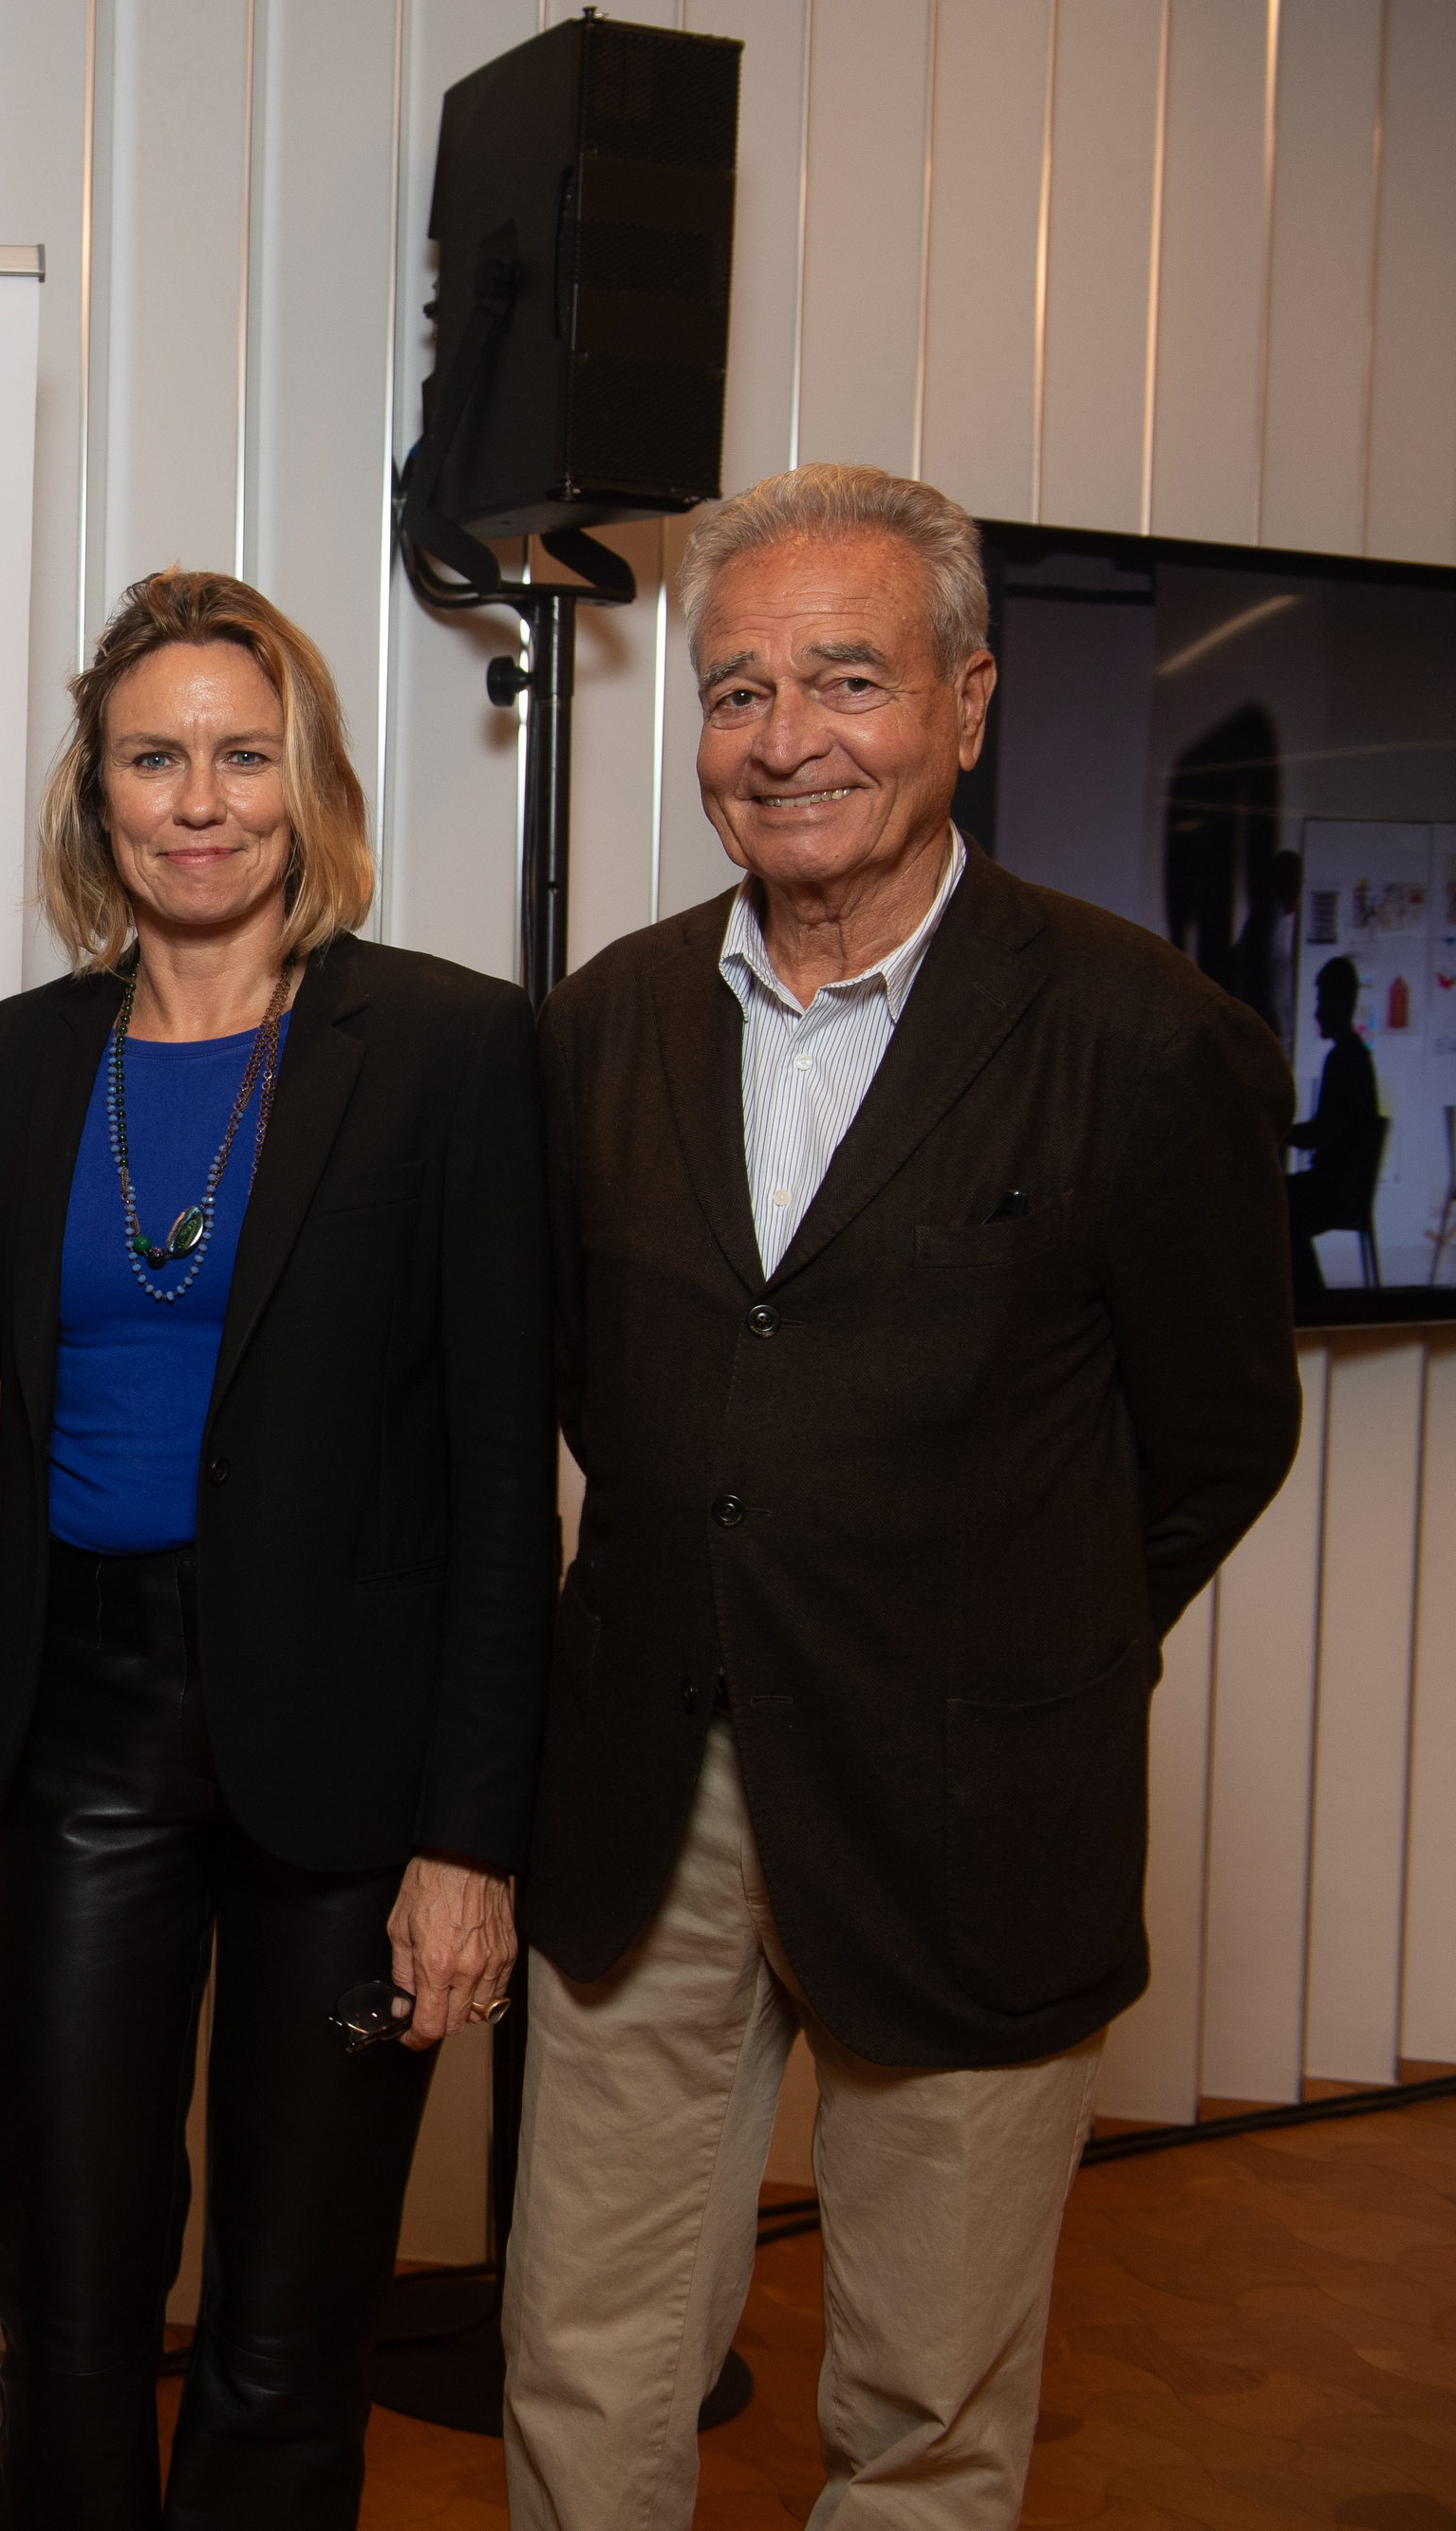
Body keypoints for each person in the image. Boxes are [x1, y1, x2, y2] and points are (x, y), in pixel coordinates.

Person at [507, 462, 1302, 2528]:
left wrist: (1002, 1646)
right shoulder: (602, 1027)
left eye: (843, 679)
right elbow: (606, 1387)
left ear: (966, 700)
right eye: (736, 687)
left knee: (923, 2412)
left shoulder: (1143, 1041)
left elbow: (1213, 1434)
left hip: (973, 1812)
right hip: (640, 1791)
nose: (783, 739)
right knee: (582, 2360)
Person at [0, 570, 549, 2528]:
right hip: (83, 1727)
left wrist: (470, 1836)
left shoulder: (443, 1048)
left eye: (239, 756)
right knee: (68, 2274)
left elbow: (507, 1480)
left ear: (306, 782)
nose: (198, 799)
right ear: (92, 798)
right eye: (150, 758)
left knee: (291, 2303)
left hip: (352, 1765)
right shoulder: (26, 1056)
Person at [1285, 952, 1382, 1289]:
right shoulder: (1353, 1056)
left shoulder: (1343, 1060)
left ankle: (1310, 1296)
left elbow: (1323, 1133)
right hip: (1340, 1185)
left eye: (1322, 1000)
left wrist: (1278, 1133)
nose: (1316, 1011)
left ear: (1340, 1002)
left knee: (1272, 1205)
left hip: (1335, 1189)